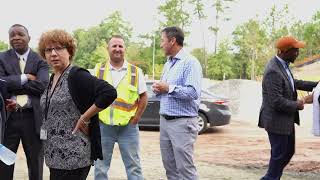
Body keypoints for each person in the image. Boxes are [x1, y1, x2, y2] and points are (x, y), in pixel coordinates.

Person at [37, 29, 117, 180]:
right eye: (48, 50)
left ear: (69, 51)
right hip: (54, 156)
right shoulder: (53, 77)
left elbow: (109, 92)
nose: (53, 53)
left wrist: (85, 118)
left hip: (73, 155)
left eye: (59, 48)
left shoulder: (77, 75)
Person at [258, 36, 318, 180]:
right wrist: (299, 103)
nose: (298, 53)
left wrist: (317, 85)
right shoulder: (273, 70)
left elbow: (293, 82)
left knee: (288, 152)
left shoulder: (283, 65)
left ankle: (271, 177)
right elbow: (276, 101)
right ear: (284, 51)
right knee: (279, 156)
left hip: (286, 120)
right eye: (295, 50)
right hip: (276, 121)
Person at [94, 35, 148, 180]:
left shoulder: (136, 72)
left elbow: (143, 96)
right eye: (114, 46)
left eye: (120, 46)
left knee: (134, 167)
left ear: (124, 49)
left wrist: (136, 118)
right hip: (104, 127)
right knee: (100, 167)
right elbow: (91, 96)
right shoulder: (98, 69)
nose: (117, 49)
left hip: (128, 128)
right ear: (108, 49)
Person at [152, 26, 202, 180]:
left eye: (163, 40)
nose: (161, 44)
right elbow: (167, 91)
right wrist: (159, 90)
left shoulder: (190, 62)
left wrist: (168, 88)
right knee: (170, 169)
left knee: (185, 169)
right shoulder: (168, 63)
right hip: (165, 121)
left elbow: (193, 92)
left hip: (182, 123)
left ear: (173, 41)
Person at [0, 24, 49, 180]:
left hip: (32, 117)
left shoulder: (40, 60)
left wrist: (12, 85)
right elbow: (1, 83)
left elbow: (42, 85)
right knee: (4, 163)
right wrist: (26, 77)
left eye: (20, 34)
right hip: (8, 118)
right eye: (12, 35)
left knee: (35, 162)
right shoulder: (2, 58)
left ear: (29, 37)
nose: (16, 38)